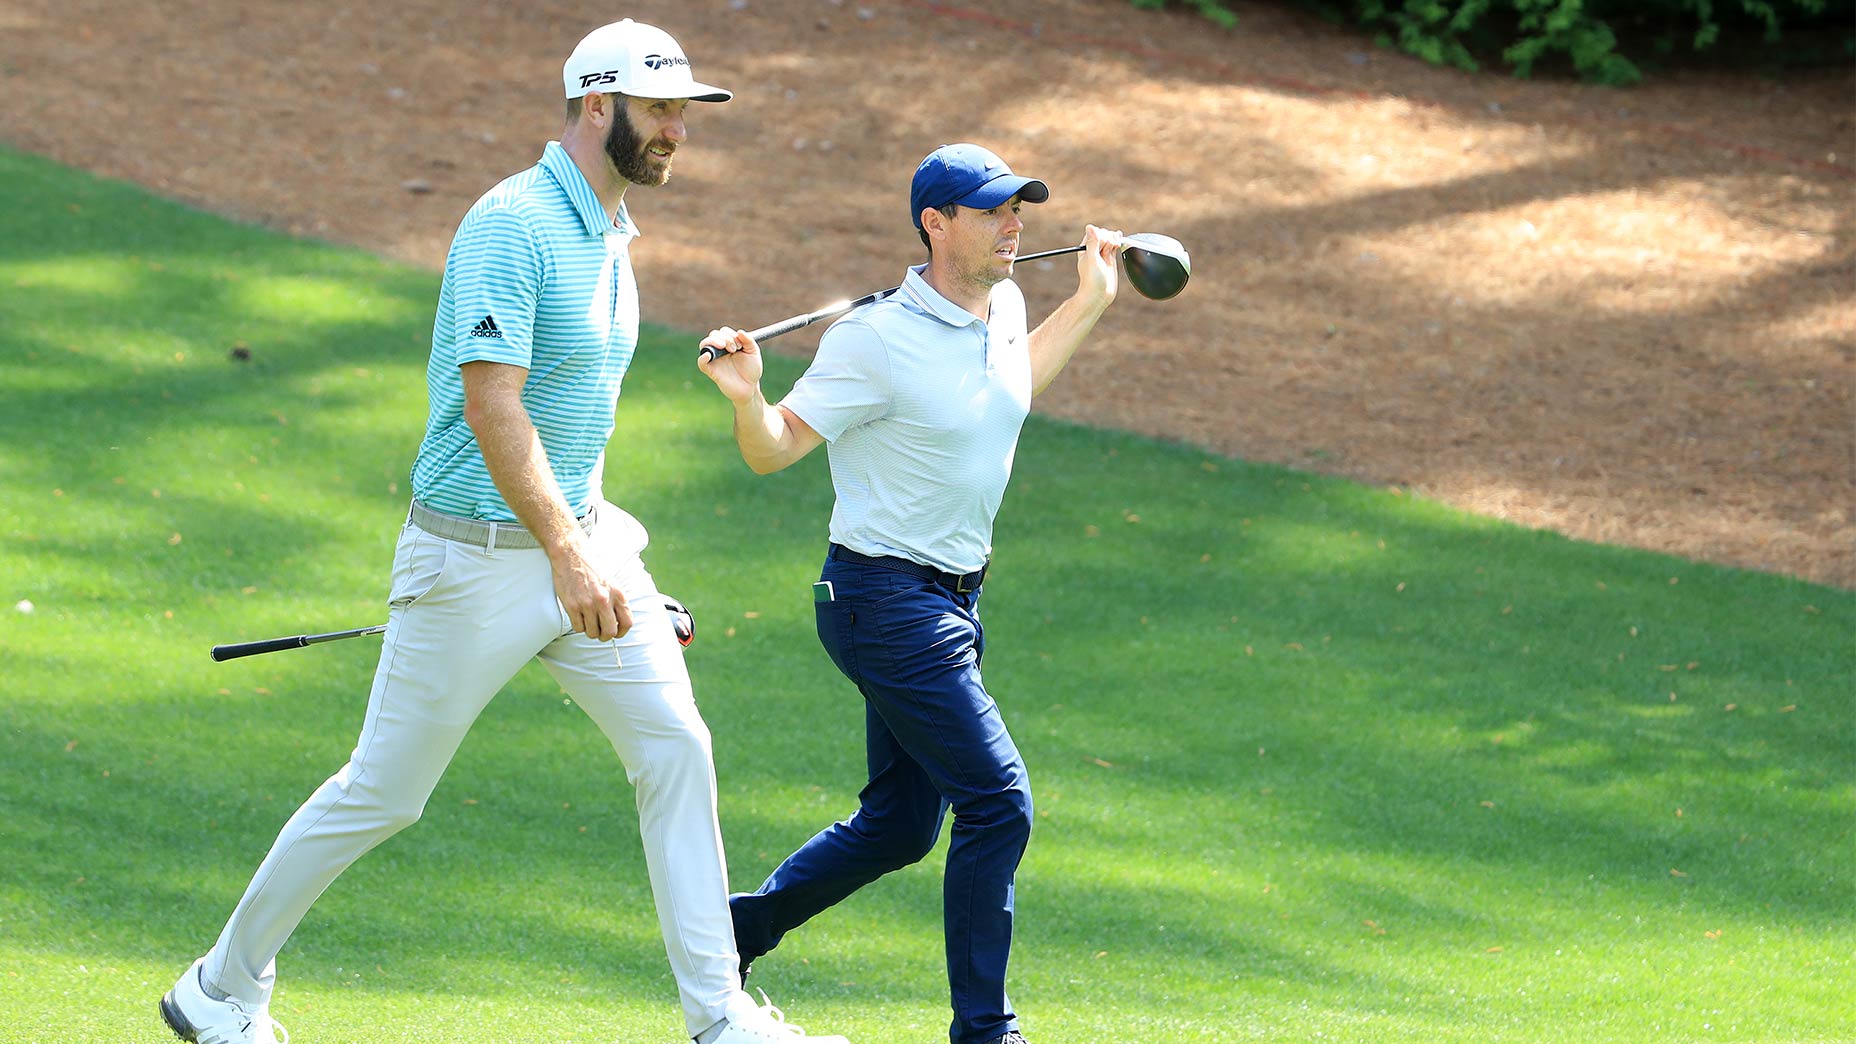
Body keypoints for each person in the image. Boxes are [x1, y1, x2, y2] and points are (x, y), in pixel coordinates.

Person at [160, 20, 846, 1044]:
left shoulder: (612, 233)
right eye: (660, 111)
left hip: (576, 551)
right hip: (471, 560)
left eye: (682, 114)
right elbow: (495, 409)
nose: (677, 133)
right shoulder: (512, 223)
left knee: (676, 749)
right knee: (383, 793)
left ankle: (721, 1016)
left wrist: (609, 550)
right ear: (596, 103)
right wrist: (570, 556)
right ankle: (218, 987)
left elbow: (575, 424)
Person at [695, 142, 1128, 1044]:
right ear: (936, 223)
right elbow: (775, 448)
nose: (1016, 225)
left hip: (953, 601)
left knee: (899, 825)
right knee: (998, 800)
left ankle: (735, 933)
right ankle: (985, 1032)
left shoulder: (1005, 304)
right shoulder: (873, 338)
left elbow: (1005, 392)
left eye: (1020, 208)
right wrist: (745, 396)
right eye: (993, 211)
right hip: (882, 600)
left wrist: (1087, 303)